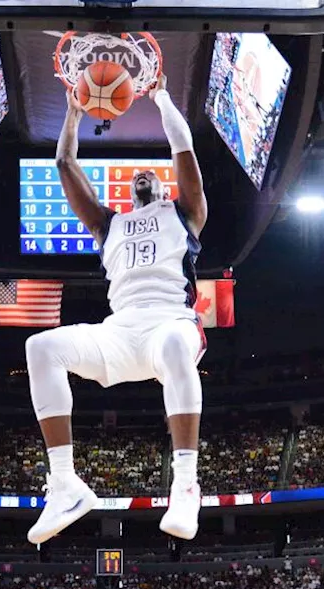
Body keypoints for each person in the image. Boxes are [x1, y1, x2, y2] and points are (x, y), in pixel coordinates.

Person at [26, 73, 208, 543]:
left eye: (152, 172)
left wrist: (163, 95)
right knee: (40, 346)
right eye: (136, 175)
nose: (143, 174)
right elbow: (65, 162)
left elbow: (183, 150)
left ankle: (185, 484)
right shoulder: (110, 226)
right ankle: (65, 484)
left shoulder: (185, 213)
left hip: (172, 320)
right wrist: (73, 113)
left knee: (171, 345)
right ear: (129, 193)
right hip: (120, 331)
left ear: (163, 187)